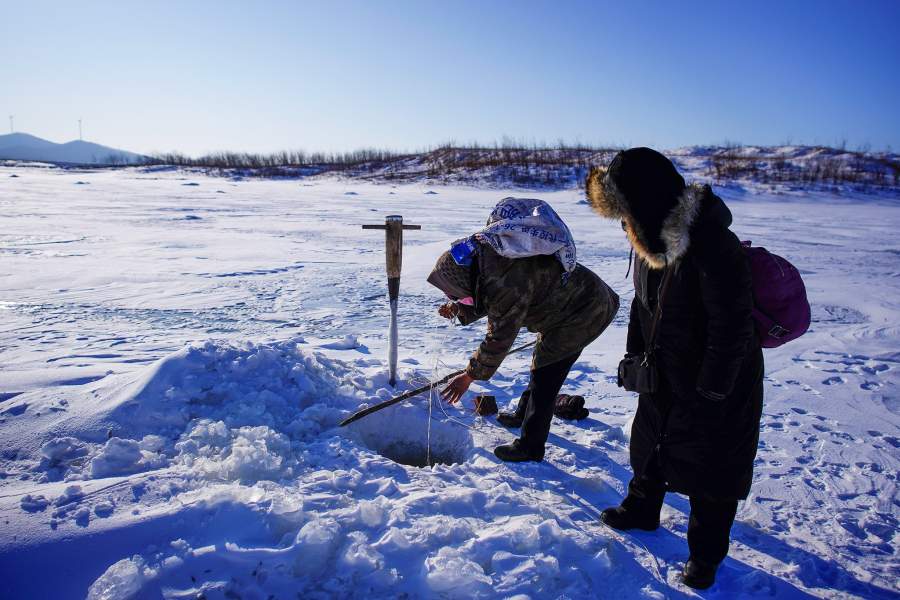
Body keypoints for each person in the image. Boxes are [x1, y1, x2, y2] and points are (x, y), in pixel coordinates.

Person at [585, 148, 764, 590]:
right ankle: (643, 508)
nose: (623, 222)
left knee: (713, 468)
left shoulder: (713, 245)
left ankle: (705, 556)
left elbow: (733, 326)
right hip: (665, 364)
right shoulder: (649, 242)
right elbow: (641, 306)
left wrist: (713, 391)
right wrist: (634, 355)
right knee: (652, 440)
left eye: (626, 210)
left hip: (718, 378)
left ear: (646, 203)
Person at [427, 198, 619, 463]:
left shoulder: (504, 277)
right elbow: (489, 296)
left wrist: (469, 376)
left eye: (453, 292)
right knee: (541, 363)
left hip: (585, 311)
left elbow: (499, 335)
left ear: (463, 279)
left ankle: (531, 446)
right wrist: (460, 308)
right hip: (566, 307)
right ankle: (522, 415)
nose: (452, 296)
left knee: (546, 375)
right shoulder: (486, 261)